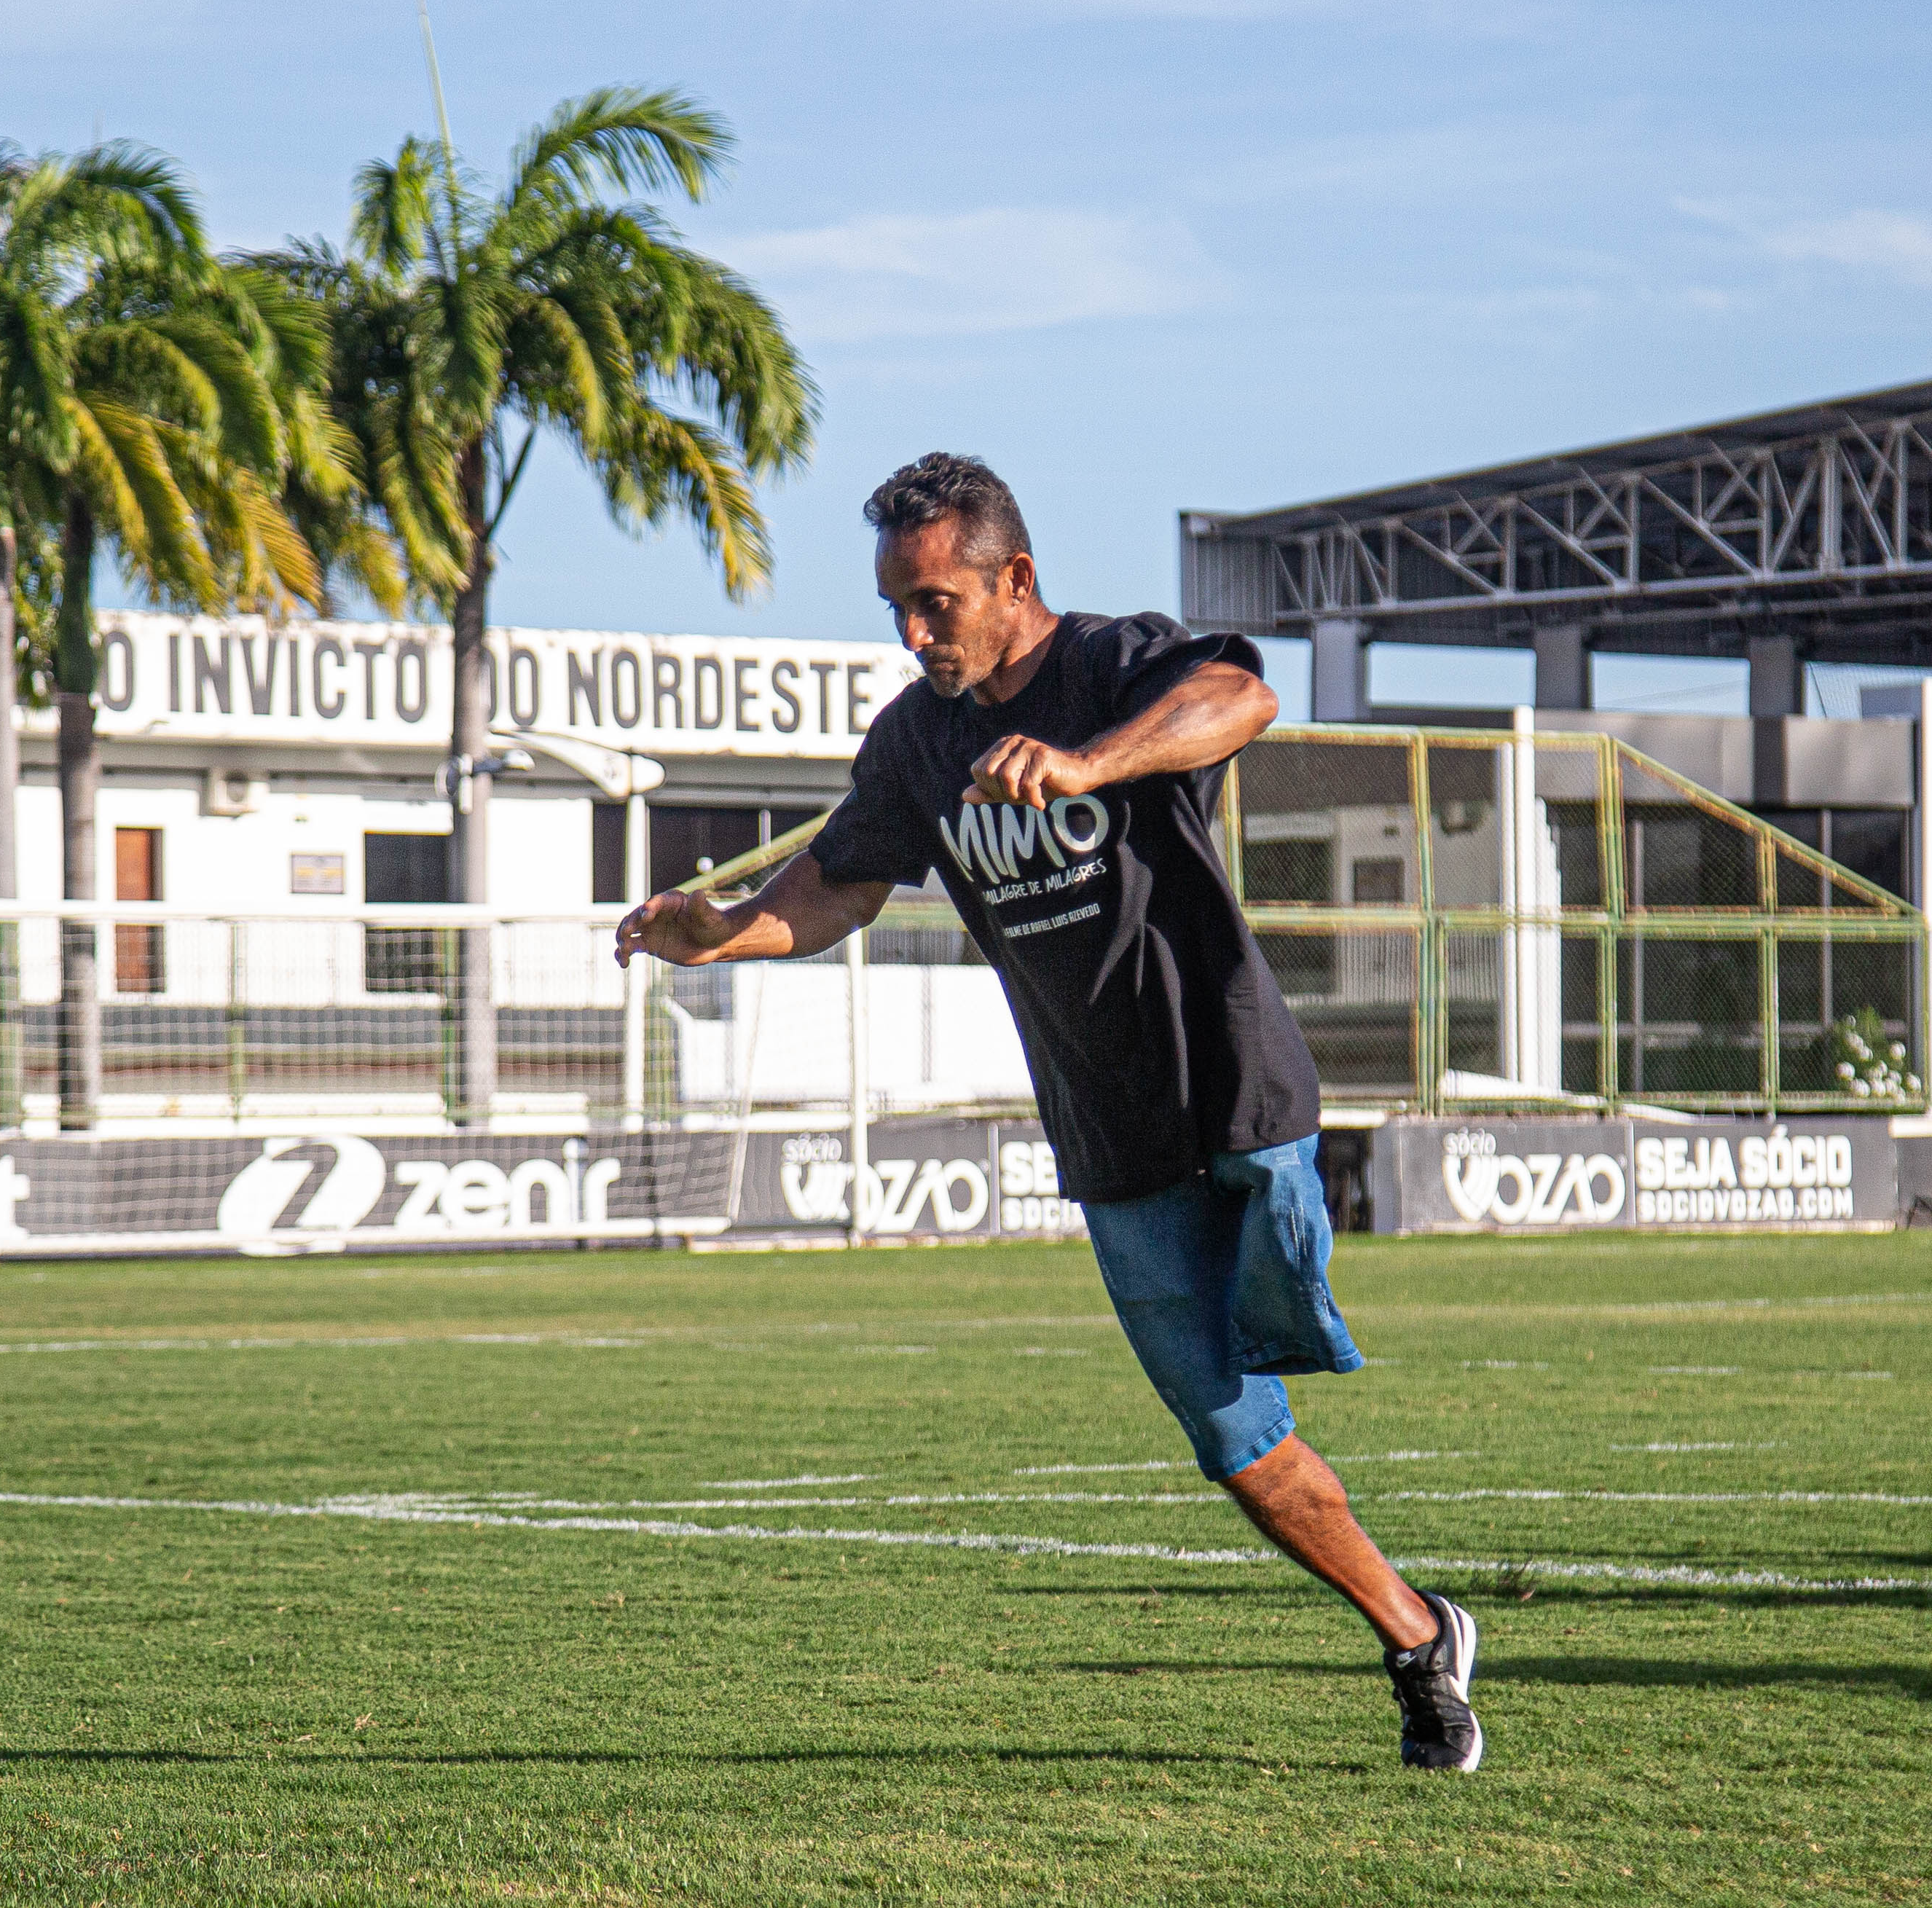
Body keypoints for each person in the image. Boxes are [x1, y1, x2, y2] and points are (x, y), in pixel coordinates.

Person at [616, 452, 1483, 1771]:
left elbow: (1242, 696)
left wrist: (1085, 766)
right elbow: (842, 884)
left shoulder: (1114, 662)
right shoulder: (916, 739)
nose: (914, 634)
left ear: (1012, 579)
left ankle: (1332, 1421)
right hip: (1108, 1137)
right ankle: (1419, 1641)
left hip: (1236, 1091)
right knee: (1235, 1440)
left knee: (1289, 1328)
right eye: (895, 610)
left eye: (934, 603)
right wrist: (723, 935)